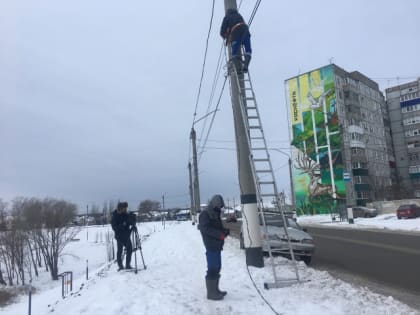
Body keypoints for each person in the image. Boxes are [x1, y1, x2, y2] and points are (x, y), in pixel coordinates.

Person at [198, 195, 230, 300]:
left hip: (217, 244)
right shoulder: (205, 214)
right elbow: (205, 229)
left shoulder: (215, 213)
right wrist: (219, 234)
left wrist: (224, 231)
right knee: (212, 268)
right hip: (211, 245)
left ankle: (216, 290)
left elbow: (217, 227)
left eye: (220, 207)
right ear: (214, 204)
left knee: (217, 267)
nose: (219, 209)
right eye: (218, 206)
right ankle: (211, 293)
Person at [220, 8, 252, 74]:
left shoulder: (226, 17)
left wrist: (226, 37)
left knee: (234, 52)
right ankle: (245, 65)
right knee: (248, 49)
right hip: (245, 30)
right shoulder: (239, 15)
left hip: (236, 31)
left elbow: (222, 32)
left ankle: (238, 69)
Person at [111, 202, 136, 270]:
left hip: (126, 236)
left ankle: (127, 265)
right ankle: (120, 266)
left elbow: (129, 222)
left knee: (130, 250)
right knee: (120, 251)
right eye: (124, 209)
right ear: (120, 209)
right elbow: (114, 228)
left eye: (125, 209)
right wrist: (123, 225)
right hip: (119, 237)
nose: (125, 210)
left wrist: (133, 221)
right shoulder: (114, 216)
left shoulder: (125, 214)